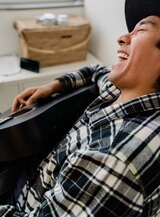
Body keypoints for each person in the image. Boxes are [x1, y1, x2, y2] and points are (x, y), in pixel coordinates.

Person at [0, 14, 160, 216]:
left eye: (142, 31)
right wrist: (53, 85)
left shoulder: (111, 159)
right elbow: (96, 71)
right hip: (40, 173)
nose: (122, 38)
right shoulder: (124, 91)